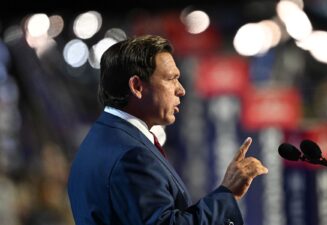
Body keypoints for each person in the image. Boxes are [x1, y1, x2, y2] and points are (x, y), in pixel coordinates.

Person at [67, 34, 268, 225]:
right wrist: (228, 193)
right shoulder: (132, 156)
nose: (181, 89)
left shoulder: (101, 138)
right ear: (137, 86)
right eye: (171, 78)